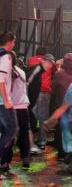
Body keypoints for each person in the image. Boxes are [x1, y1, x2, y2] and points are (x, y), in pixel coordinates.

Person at [1, 51, 30, 169]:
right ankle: (25, 158)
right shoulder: (22, 72)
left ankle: (5, 162)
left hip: (10, 108)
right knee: (24, 134)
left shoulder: (5, 73)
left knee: (8, 135)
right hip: (23, 107)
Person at [49, 53, 72, 160]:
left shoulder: (58, 74)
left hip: (62, 107)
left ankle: (62, 153)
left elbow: (53, 91)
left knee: (60, 130)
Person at [27, 46, 57, 150]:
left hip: (33, 91)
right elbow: (55, 70)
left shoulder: (30, 60)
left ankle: (29, 141)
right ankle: (42, 142)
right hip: (45, 91)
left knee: (30, 114)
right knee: (43, 116)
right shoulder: (50, 63)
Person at [0, 32, 18, 172]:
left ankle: (4, 161)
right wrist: (6, 100)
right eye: (13, 42)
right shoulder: (5, 57)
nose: (14, 44)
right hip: (2, 101)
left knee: (5, 130)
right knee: (12, 129)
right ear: (9, 42)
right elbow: (0, 81)